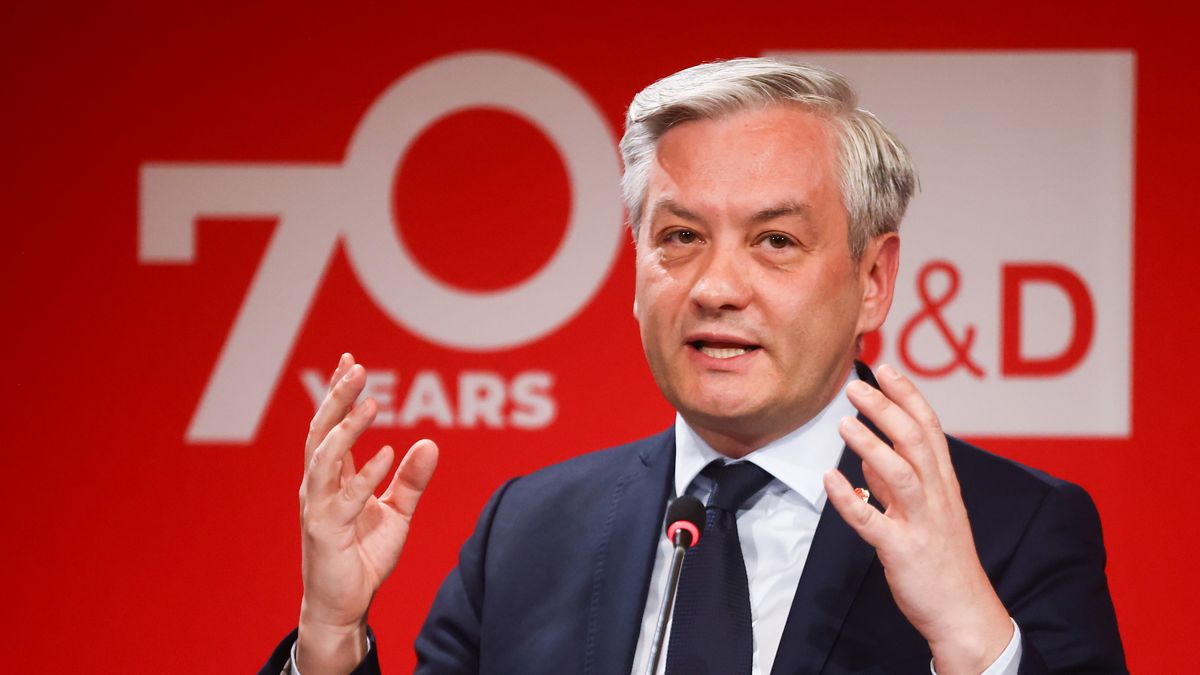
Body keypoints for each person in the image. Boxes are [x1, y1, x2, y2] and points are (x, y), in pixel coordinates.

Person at [262, 58, 1125, 674]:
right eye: (680, 238)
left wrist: (972, 644)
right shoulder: (528, 527)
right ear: (636, 269)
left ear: (872, 280)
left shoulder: (1009, 529)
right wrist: (330, 636)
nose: (716, 286)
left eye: (775, 241)